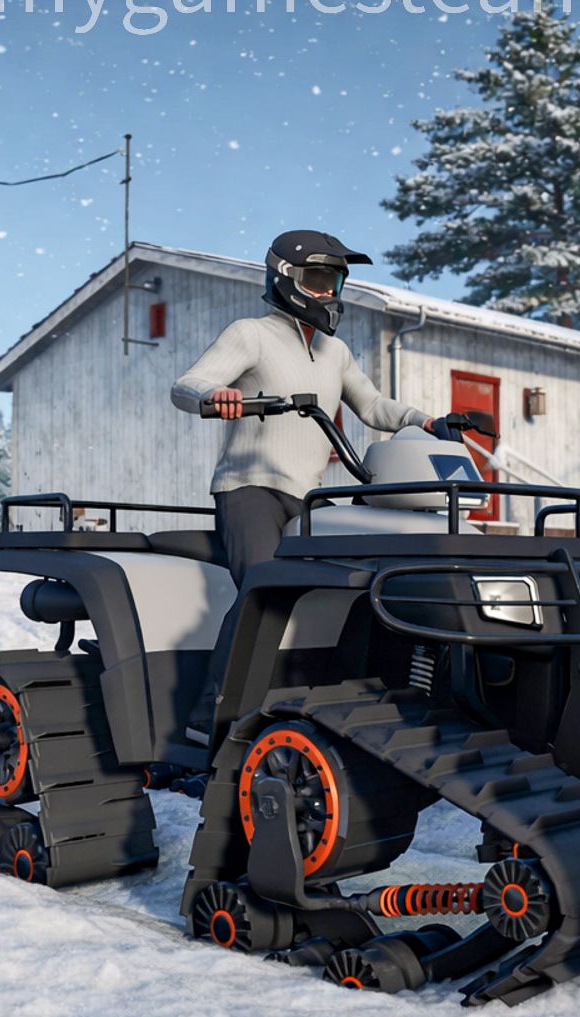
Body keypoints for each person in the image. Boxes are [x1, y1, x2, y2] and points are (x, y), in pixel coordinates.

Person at [171, 229, 433, 736]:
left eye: (335, 279)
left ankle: (323, 696)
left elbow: (373, 406)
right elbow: (187, 385)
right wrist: (215, 396)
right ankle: (211, 714)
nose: (328, 290)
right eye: (317, 278)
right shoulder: (251, 334)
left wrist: (426, 421)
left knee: (350, 590)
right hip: (250, 489)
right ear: (286, 276)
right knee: (264, 592)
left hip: (309, 497)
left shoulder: (336, 351)